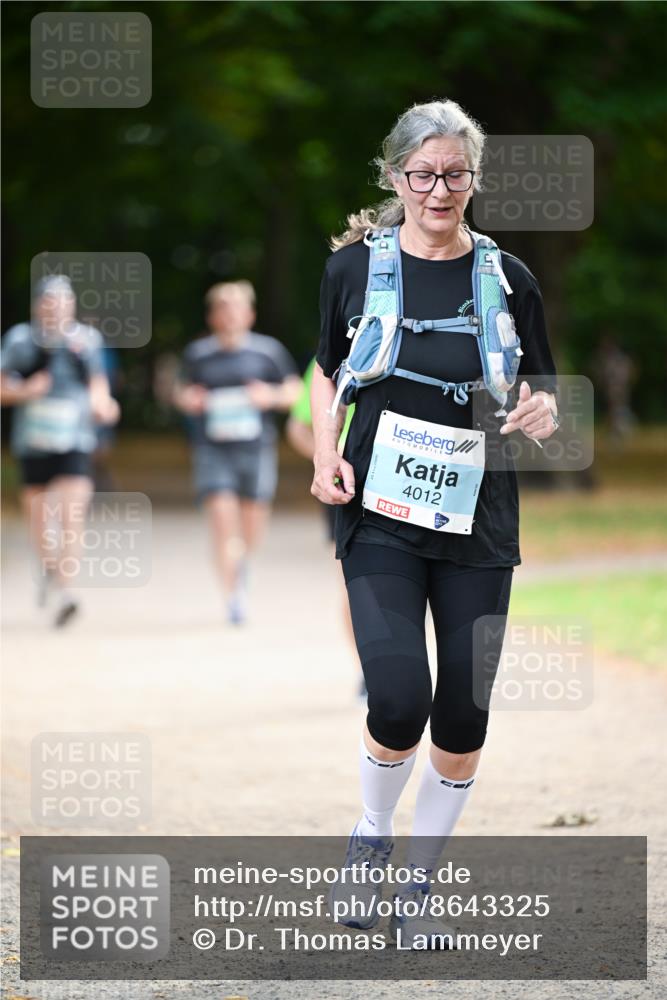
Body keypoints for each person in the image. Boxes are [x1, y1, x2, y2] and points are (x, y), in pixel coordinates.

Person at [310, 99, 559, 948]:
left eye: (455, 174)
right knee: (398, 699)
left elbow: (545, 390)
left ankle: (415, 888)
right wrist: (323, 452)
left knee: (462, 715)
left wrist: (539, 414)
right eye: (423, 175)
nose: (439, 190)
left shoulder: (508, 277)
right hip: (378, 511)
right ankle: (372, 835)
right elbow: (324, 372)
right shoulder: (353, 268)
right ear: (394, 179)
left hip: (479, 519)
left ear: (474, 179)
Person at [174, 280, 301, 624]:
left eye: (236, 308)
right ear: (213, 316)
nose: (229, 315)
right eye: (222, 309)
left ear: (250, 314)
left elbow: (295, 390)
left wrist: (270, 397)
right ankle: (232, 596)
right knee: (221, 520)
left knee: (251, 527)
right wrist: (190, 400)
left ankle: (241, 567)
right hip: (212, 450)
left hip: (256, 450)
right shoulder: (198, 354)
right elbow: (181, 392)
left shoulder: (267, 352)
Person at [0, 275, 119, 626]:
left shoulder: (86, 341)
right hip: (33, 443)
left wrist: (103, 405)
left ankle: (66, 591)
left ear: (72, 306)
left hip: (74, 440)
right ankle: (50, 569)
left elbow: (98, 384)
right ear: (37, 306)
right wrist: (26, 392)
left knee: (71, 517)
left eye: (63, 301)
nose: (55, 308)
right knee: (40, 520)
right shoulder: (20, 340)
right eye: (48, 301)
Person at [286, 358, 361, 694]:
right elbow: (298, 428)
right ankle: (367, 670)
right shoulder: (334, 357)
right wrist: (328, 455)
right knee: (354, 584)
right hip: (346, 487)